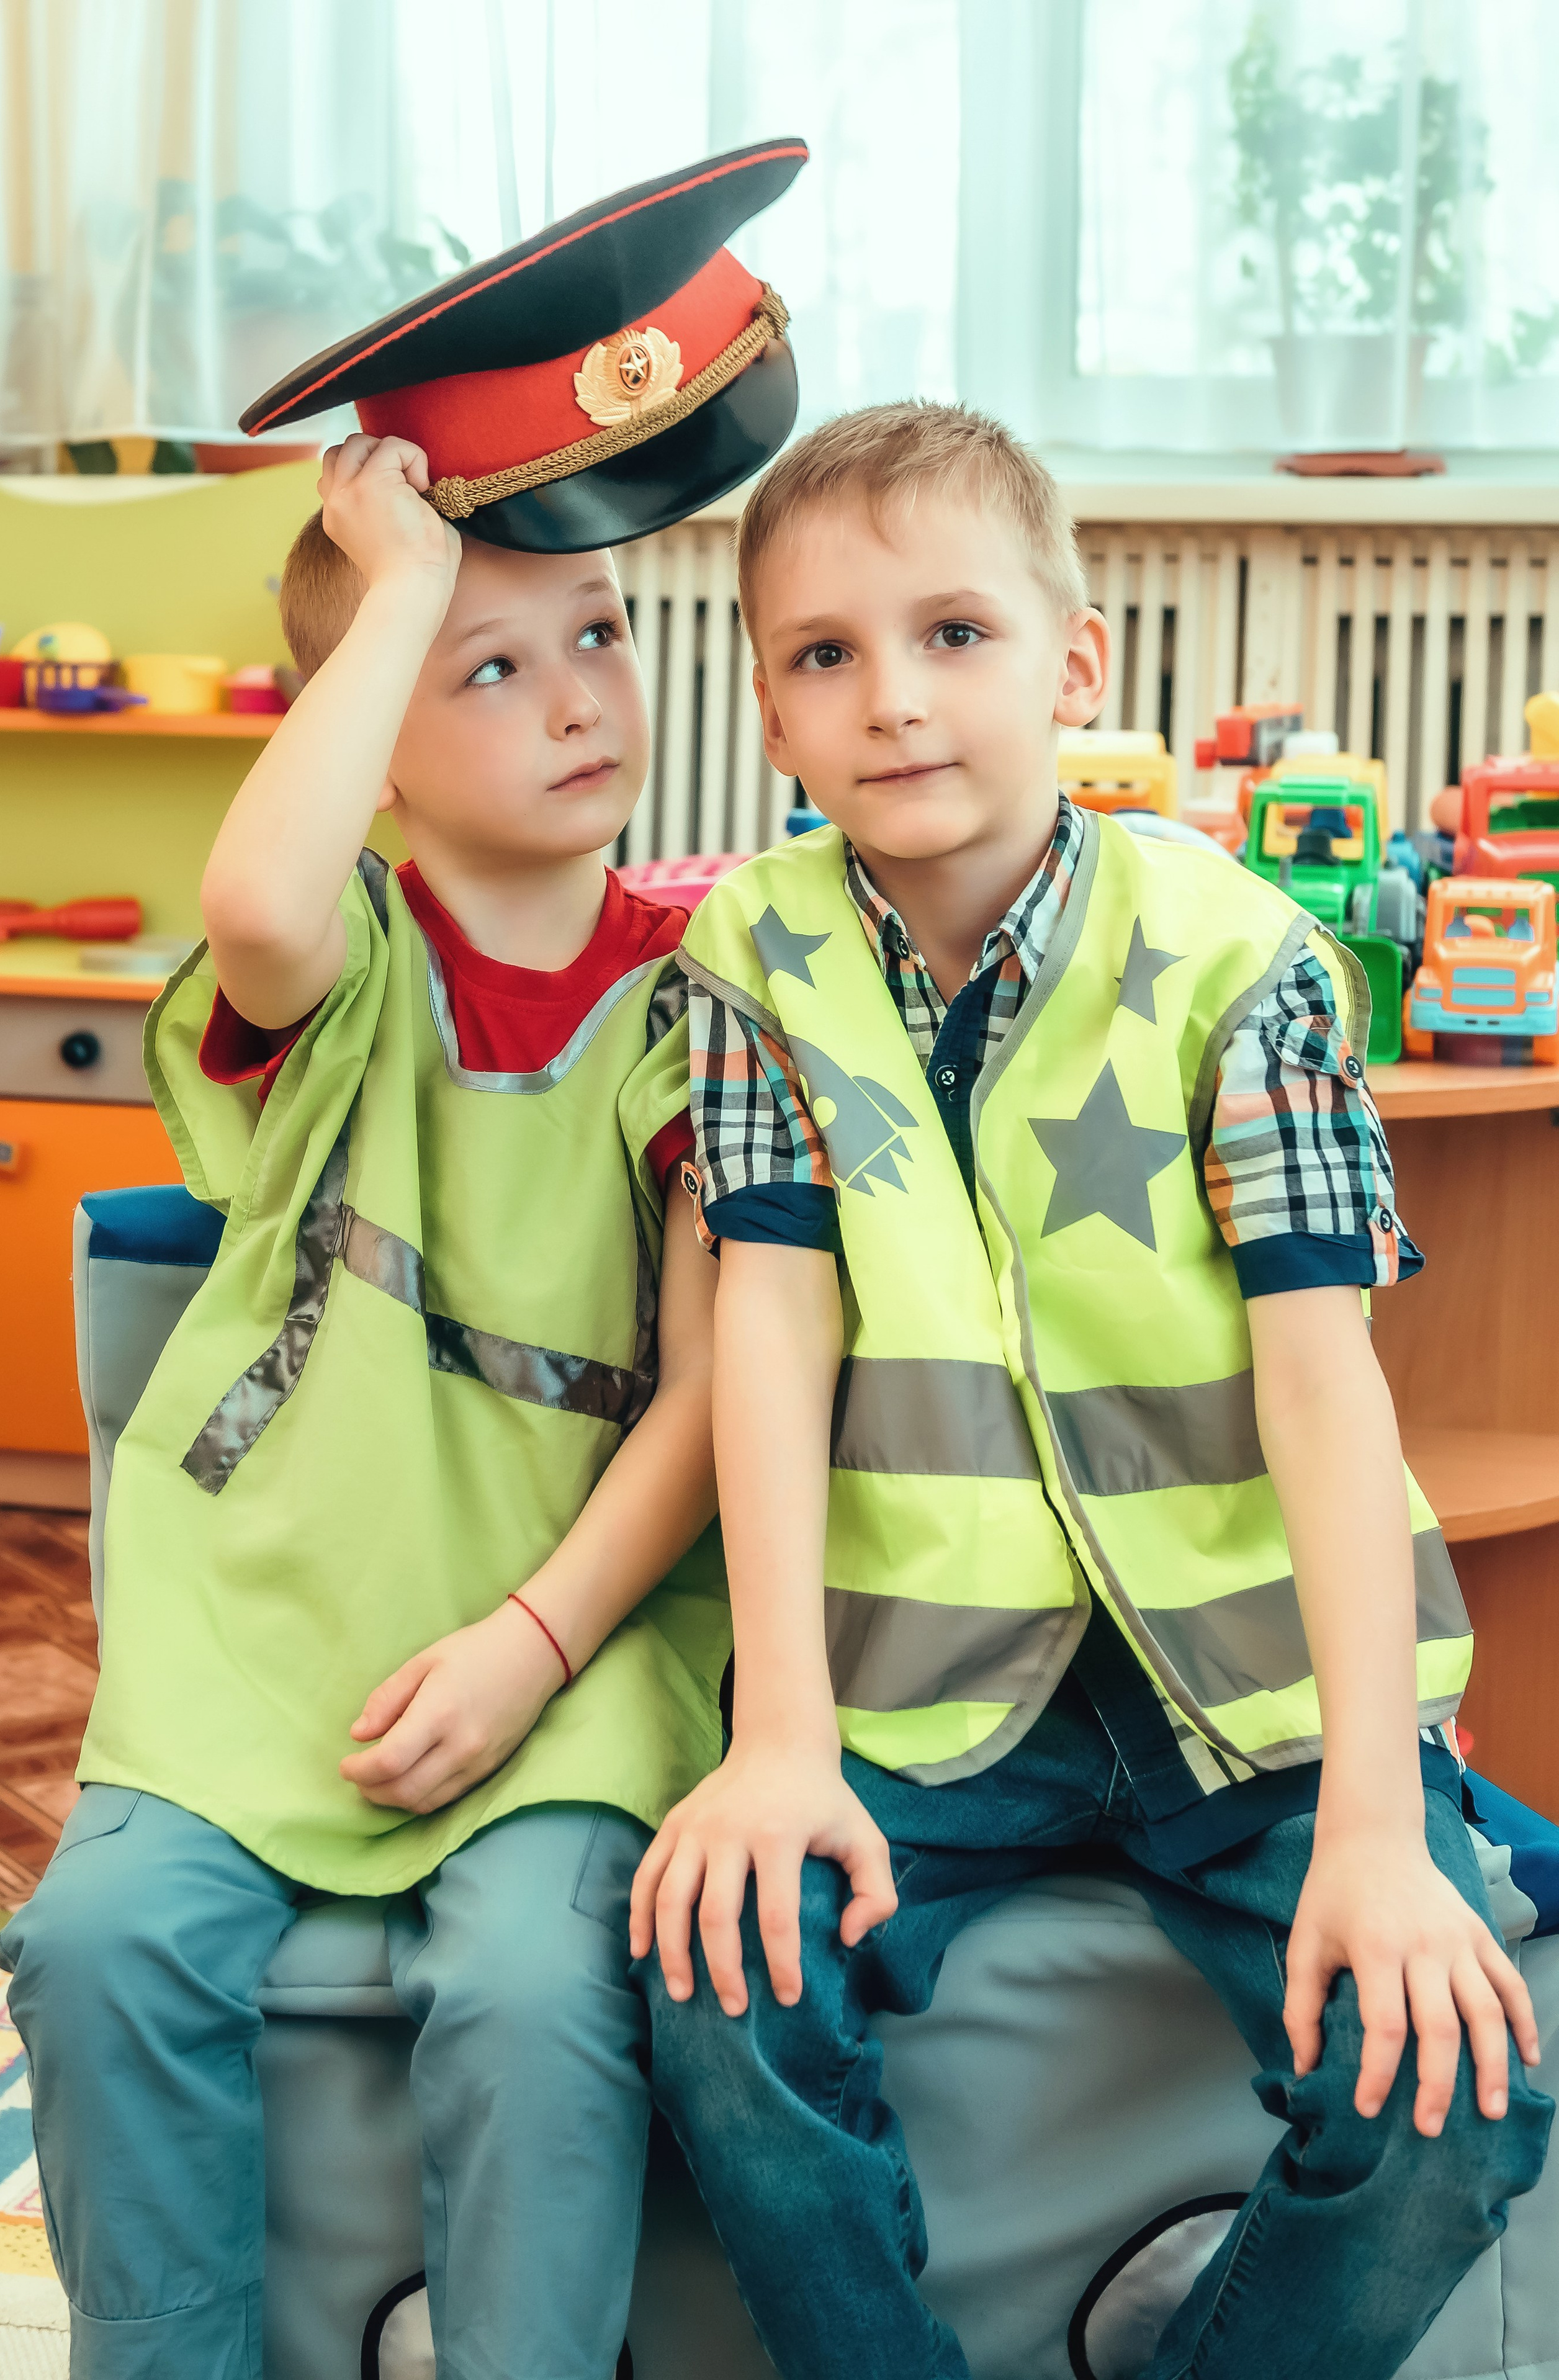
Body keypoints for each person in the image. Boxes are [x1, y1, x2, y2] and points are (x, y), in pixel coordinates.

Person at [631, 400, 1553, 2380]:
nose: (894, 700)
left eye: (954, 634)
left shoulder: (1246, 965)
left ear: (1075, 661)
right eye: (826, 654)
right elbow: (769, 1343)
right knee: (718, 1978)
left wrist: (1382, 1825)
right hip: (915, 1691)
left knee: (1460, 2093)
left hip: (1257, 1700)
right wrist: (778, 1733)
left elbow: (1327, 1395)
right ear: (773, 715)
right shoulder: (755, 961)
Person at [0, 140, 806, 2380]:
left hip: (576, 1622)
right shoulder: (342, 948)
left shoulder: (710, 977)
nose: (574, 701)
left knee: (543, 1984)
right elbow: (257, 900)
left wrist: (538, 1646)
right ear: (365, 743)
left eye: (600, 638)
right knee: (97, 1950)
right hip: (266, 1610)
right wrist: (384, 580)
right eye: (480, 671)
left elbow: (719, 1376)